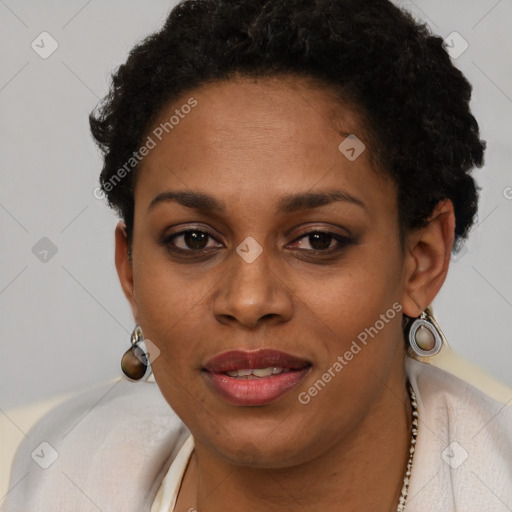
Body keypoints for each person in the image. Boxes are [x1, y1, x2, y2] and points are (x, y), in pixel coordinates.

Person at [4, 0, 512, 511]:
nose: (248, 301)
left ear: (421, 260)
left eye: (318, 240)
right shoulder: (63, 473)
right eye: (194, 240)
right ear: (130, 271)